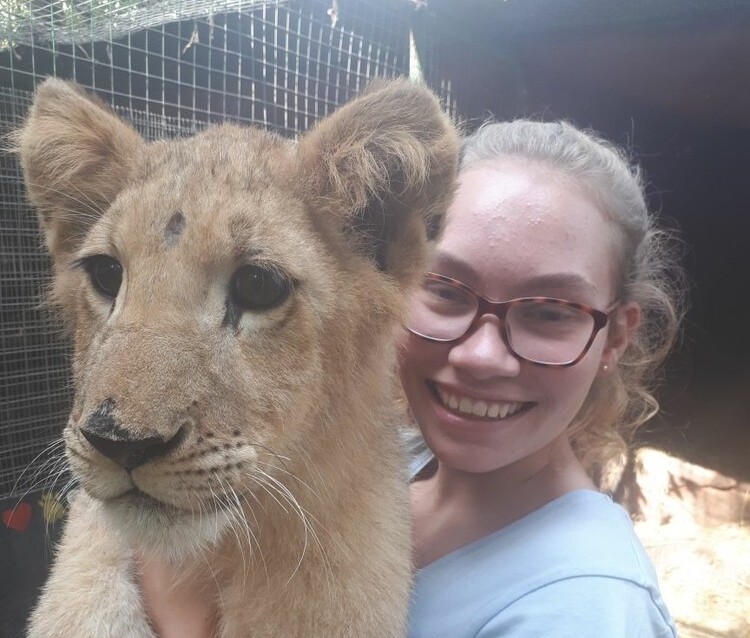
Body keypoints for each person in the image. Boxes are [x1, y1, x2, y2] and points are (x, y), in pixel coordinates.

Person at [139, 119, 684, 637]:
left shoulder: (583, 605)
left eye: (549, 312)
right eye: (445, 289)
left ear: (615, 336)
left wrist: (181, 622)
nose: (481, 356)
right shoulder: (385, 457)